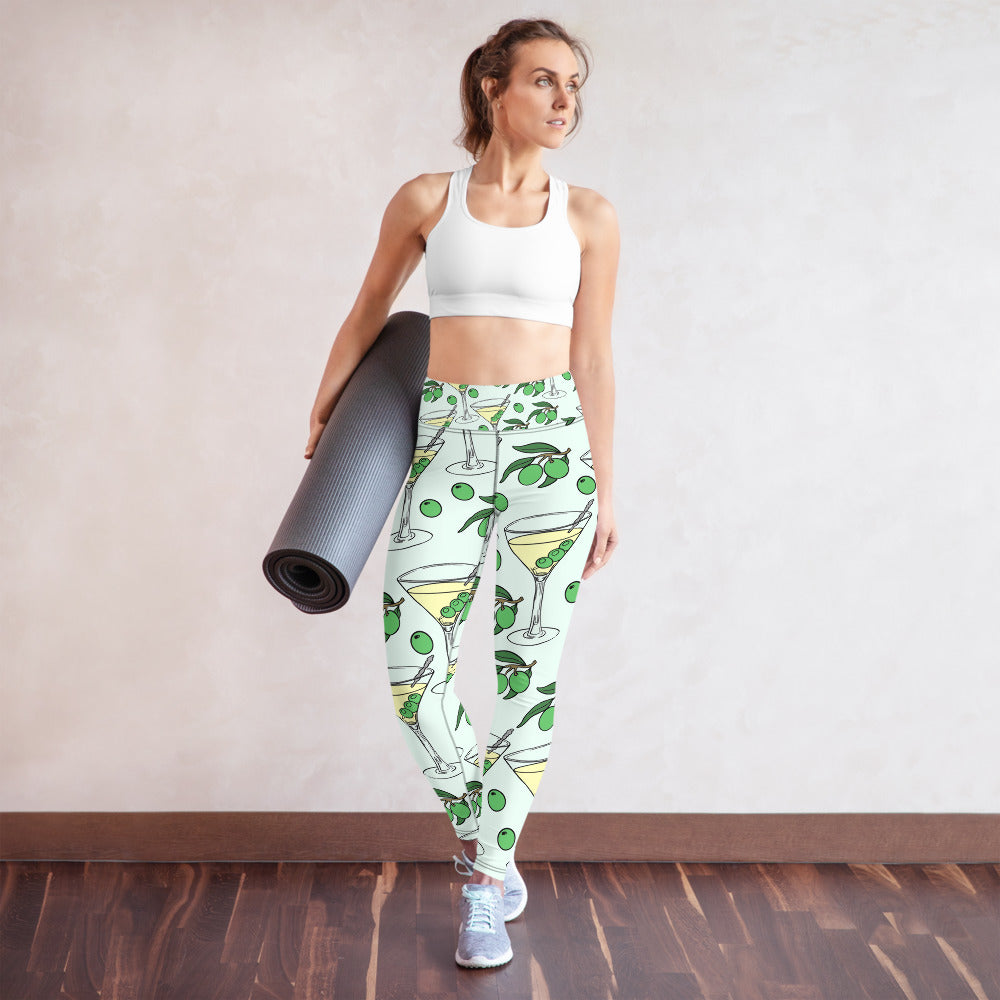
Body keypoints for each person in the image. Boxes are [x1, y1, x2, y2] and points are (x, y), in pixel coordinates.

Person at [304, 17, 619, 969]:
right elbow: (369, 310)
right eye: (546, 80)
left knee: (528, 671)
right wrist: (324, 414)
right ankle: (495, 840)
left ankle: (484, 881)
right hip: (446, 438)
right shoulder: (426, 200)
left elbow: (594, 358)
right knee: (416, 669)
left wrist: (605, 489)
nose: (565, 100)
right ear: (493, 86)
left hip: (551, 449)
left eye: (574, 85)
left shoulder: (589, 216)